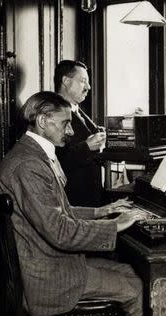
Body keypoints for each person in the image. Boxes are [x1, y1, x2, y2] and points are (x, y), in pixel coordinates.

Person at [0, 91, 147, 316]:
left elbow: (58, 211)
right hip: (48, 278)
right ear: (43, 121)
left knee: (129, 270)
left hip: (48, 261)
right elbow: (60, 231)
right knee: (134, 288)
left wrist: (102, 211)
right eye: (66, 123)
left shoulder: (31, 154)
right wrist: (115, 225)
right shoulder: (28, 165)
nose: (71, 132)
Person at [54, 60, 106, 207]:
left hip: (89, 198)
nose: (88, 87)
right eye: (83, 81)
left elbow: (90, 132)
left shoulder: (75, 108)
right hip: (74, 201)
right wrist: (87, 146)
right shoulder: (54, 112)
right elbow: (55, 161)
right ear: (66, 81)